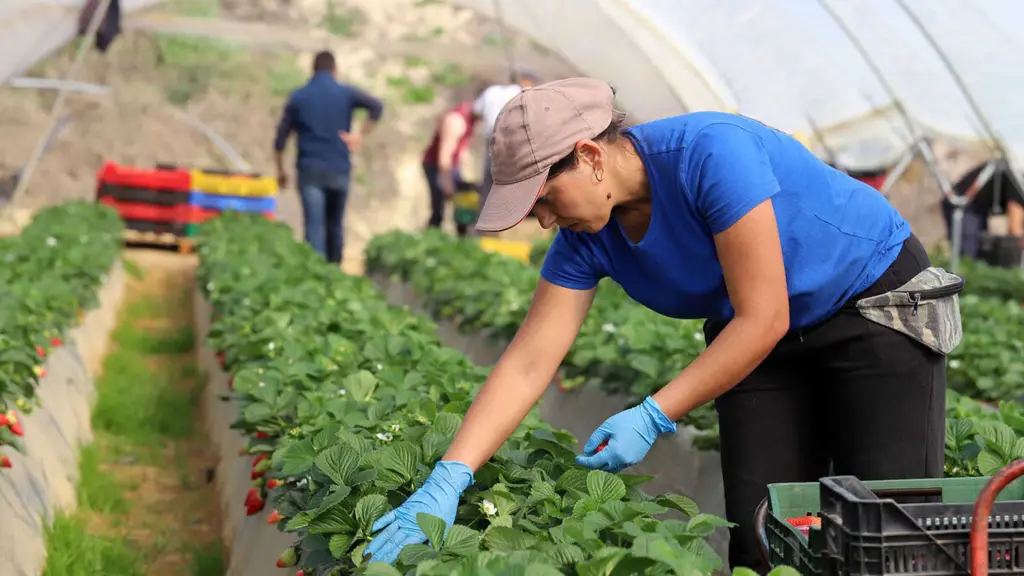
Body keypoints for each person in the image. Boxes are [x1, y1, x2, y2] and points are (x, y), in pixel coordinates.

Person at [364, 78, 958, 571]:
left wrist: (654, 414)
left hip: (871, 305)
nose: (543, 221)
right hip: (757, 341)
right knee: (762, 535)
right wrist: (447, 480)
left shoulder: (710, 154)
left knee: (884, 529)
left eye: (544, 199)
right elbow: (527, 363)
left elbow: (766, 314)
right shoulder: (584, 239)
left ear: (590, 157)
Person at [274, 50, 384, 265]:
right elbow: (377, 106)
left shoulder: (299, 97)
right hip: (339, 168)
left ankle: (316, 276)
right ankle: (336, 274)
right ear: (335, 70)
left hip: (310, 169)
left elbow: (280, 139)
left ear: (312, 70)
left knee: (314, 225)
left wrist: (280, 170)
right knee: (335, 224)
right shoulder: (345, 93)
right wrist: (359, 135)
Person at [472, 71, 539, 215]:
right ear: (526, 81)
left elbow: (476, 111)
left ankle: (485, 220)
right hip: (513, 144)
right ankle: (506, 219)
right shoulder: (522, 93)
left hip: (491, 140)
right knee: (509, 183)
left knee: (489, 182)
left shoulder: (491, 91)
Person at [421, 99, 478, 236]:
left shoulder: (472, 118)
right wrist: (447, 183)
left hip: (452, 165)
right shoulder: (456, 121)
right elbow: (444, 158)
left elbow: (462, 146)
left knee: (462, 202)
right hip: (436, 165)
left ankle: (461, 238)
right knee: (439, 205)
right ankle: (431, 236)